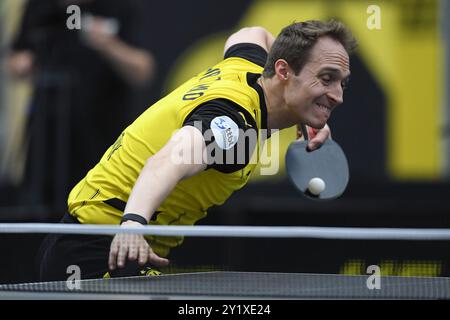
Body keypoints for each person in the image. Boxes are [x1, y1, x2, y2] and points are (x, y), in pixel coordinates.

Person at [37, 20, 357, 281]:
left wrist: (305, 104)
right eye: (326, 79)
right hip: (100, 250)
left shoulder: (249, 66)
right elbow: (170, 159)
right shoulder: (232, 121)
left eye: (342, 82)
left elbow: (250, 33)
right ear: (285, 72)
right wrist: (133, 224)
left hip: (116, 246)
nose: (337, 95)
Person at [7, 0, 155, 213]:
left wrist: (108, 45)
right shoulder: (41, 7)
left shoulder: (119, 7)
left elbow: (143, 71)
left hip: (100, 135)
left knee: (94, 206)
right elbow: (16, 58)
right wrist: (22, 63)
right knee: (37, 211)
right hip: (47, 136)